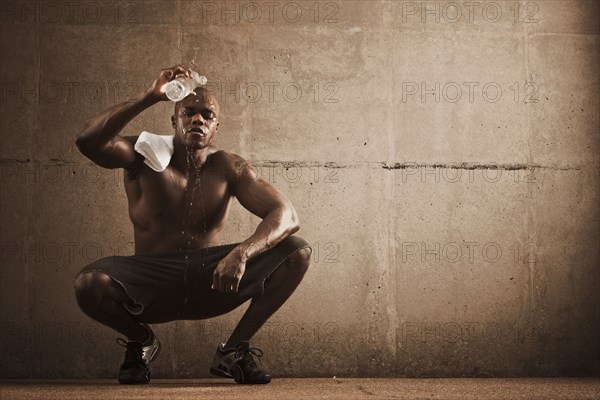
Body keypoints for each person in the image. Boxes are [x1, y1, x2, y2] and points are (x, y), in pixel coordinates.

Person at [73, 65, 312, 385]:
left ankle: (234, 351)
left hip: (209, 279)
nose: (198, 119)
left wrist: (242, 253)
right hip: (149, 278)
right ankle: (140, 342)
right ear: (175, 120)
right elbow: (88, 141)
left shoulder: (229, 166)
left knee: (296, 252)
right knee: (89, 284)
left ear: (216, 127)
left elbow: (286, 214)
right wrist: (149, 96)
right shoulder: (141, 155)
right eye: (189, 112)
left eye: (207, 115)